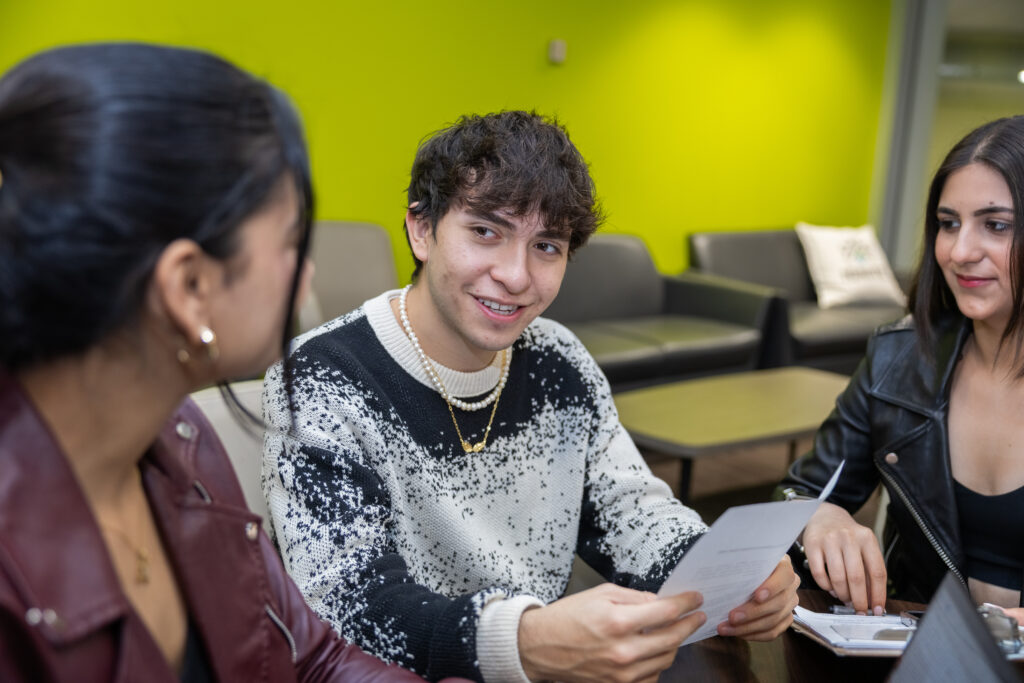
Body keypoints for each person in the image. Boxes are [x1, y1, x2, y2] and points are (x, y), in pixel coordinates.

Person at [262, 110, 799, 682]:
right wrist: (522, 641)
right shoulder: (321, 378)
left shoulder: (557, 358)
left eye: (546, 245)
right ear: (422, 230)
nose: (516, 276)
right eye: (486, 232)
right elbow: (351, 604)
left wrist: (726, 572)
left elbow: (629, 512)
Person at [0, 43, 435, 682]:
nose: (307, 271)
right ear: (190, 286)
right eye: (291, 242)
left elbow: (312, 660)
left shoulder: (181, 441)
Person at [778, 115, 1024, 623]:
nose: (959, 251)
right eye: (948, 222)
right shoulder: (897, 359)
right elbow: (797, 495)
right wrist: (818, 518)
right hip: (916, 654)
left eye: (995, 225)